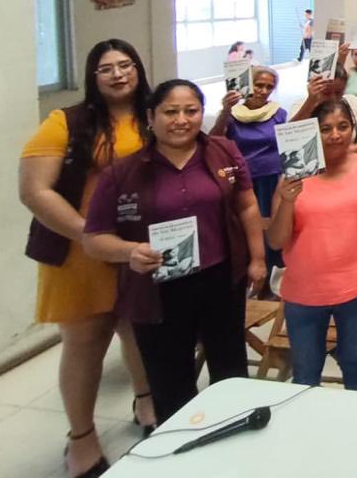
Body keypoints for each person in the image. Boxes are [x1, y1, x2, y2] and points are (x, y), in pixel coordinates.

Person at [82, 80, 266, 427]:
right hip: (158, 288)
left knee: (230, 368)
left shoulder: (224, 151)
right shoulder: (122, 173)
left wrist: (257, 258)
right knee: (170, 378)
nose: (181, 119)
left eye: (191, 110)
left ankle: (234, 434)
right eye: (170, 111)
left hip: (220, 278)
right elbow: (94, 239)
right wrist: (129, 251)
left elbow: (247, 205)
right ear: (151, 117)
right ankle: (180, 439)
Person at [19, 39, 157, 478]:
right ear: (92, 77)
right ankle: (81, 438)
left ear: (137, 69)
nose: (118, 74)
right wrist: (90, 235)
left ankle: (147, 401)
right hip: (79, 251)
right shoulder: (67, 122)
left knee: (139, 329)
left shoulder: (154, 114)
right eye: (106, 69)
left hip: (138, 248)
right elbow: (34, 191)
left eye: (125, 65)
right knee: (86, 342)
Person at [267, 98, 357, 390]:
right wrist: (287, 200)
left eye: (343, 126)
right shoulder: (293, 176)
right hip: (304, 291)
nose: (335, 135)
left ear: (354, 128)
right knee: (306, 372)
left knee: (355, 361)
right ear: (314, 132)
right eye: (326, 129)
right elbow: (276, 240)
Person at [209, 65, 288, 291]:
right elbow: (213, 141)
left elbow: (287, 139)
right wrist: (225, 111)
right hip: (244, 182)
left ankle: (274, 281)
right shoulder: (232, 115)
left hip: (273, 180)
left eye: (269, 87)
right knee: (248, 229)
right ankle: (253, 279)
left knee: (273, 227)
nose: (263, 91)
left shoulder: (278, 113)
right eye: (259, 85)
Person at [291, 62, 357, 147]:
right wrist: (310, 101)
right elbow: (290, 135)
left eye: (338, 92)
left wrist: (356, 149)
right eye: (326, 93)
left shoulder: (352, 101)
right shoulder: (300, 105)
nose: (333, 98)